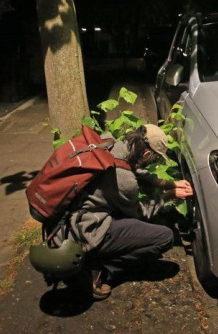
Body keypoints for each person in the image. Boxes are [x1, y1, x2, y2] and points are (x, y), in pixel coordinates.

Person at [51, 124, 193, 300]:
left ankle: (92, 260)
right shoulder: (125, 181)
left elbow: (134, 169)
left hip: (63, 221)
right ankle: (96, 270)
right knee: (164, 237)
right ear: (147, 154)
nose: (153, 162)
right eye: (154, 159)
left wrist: (168, 183)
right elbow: (140, 212)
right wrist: (167, 196)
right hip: (85, 229)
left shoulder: (109, 142)